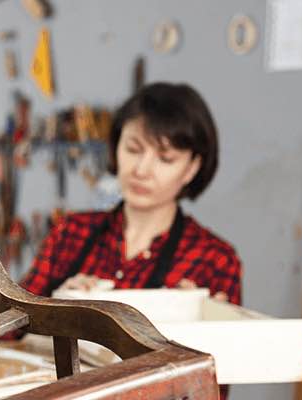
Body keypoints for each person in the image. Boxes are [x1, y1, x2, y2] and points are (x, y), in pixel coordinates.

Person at [19, 82, 242, 305]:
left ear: (192, 168)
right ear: (116, 147)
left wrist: (203, 320)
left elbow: (229, 339)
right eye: (133, 149)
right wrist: (58, 304)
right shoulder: (71, 233)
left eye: (165, 159)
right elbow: (5, 328)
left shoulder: (216, 260)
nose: (141, 170)